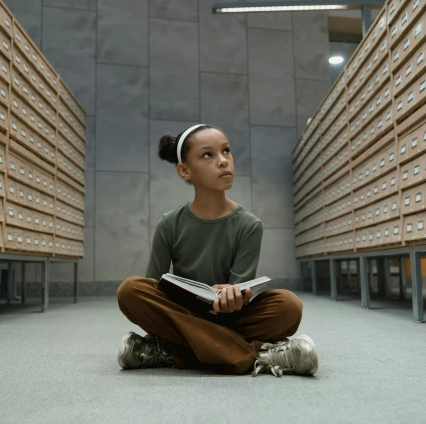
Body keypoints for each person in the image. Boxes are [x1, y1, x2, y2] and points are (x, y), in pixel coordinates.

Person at [116, 124, 318, 377]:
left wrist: (233, 296)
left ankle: (172, 351)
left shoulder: (249, 224)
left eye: (226, 151)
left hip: (229, 319)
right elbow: (153, 286)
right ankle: (257, 355)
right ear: (185, 170)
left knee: (288, 305)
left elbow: (241, 289)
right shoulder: (170, 223)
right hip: (182, 313)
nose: (223, 161)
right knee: (131, 290)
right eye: (208, 155)